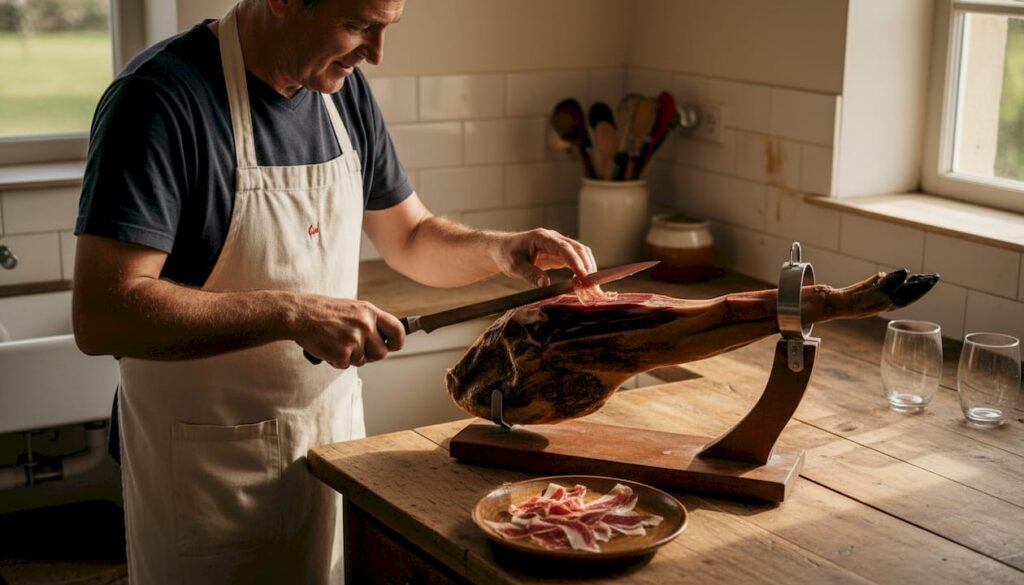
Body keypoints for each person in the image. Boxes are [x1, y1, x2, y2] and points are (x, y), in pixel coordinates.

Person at [71, 0, 596, 582]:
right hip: (209, 481)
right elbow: (104, 313)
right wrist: (292, 312)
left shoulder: (341, 90)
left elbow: (412, 236)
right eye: (357, 25)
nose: (375, 53)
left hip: (332, 453)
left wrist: (502, 249)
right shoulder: (160, 99)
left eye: (386, 27)